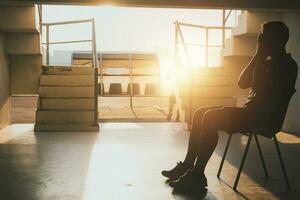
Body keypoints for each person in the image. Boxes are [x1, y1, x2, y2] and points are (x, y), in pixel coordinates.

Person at [161, 21, 298, 190]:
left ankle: (198, 175)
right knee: (199, 112)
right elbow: (242, 83)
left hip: (262, 118)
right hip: (250, 113)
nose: (259, 40)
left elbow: (261, 87)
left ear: (274, 39)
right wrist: (257, 56)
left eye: (262, 36)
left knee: (210, 117)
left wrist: (260, 57)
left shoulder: (287, 66)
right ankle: (189, 165)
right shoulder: (267, 62)